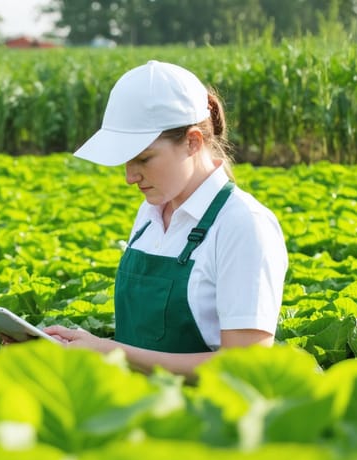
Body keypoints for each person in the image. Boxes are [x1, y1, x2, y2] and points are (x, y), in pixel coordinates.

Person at [38, 60, 288, 380]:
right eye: (126, 161)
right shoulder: (150, 213)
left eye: (143, 159)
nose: (130, 177)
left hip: (202, 425)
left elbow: (245, 369)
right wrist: (76, 350)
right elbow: (142, 345)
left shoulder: (243, 225)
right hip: (138, 413)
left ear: (193, 141)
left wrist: (111, 352)